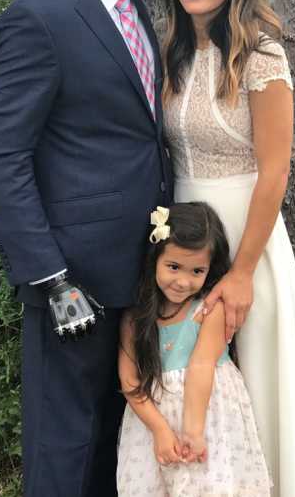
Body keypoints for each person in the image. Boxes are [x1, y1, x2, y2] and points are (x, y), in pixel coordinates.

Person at [0, 0, 177, 497]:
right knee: (65, 446)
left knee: (123, 443)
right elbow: (1, 157)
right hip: (76, 280)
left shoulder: (133, 7)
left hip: (143, 270)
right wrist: (50, 277)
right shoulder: (40, 16)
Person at [161, 0, 295, 496]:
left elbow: (276, 170)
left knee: (263, 382)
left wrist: (241, 273)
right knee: (189, 375)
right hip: (187, 237)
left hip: (249, 239)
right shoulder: (174, 52)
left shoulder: (262, 56)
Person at [116, 202, 271, 496]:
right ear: (155, 260)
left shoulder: (209, 309)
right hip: (153, 423)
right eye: (173, 267)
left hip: (207, 418)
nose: (183, 281)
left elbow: (201, 365)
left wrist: (193, 431)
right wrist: (160, 430)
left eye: (197, 270)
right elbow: (129, 381)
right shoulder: (134, 319)